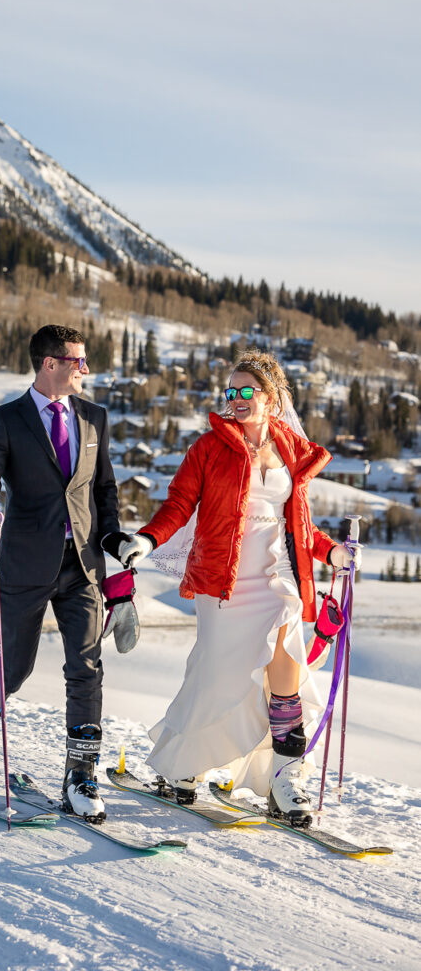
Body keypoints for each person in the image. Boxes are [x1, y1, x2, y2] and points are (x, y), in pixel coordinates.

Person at [119, 351, 360, 823]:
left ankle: (286, 781)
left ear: (271, 398)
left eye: (246, 391)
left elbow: (300, 525)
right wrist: (147, 540)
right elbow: (179, 504)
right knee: (215, 675)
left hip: (279, 578)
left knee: (284, 679)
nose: (237, 399)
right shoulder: (208, 449)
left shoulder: (291, 448)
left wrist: (331, 552)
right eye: (231, 392)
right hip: (223, 580)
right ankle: (181, 766)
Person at [0, 324, 127, 821]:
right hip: (26, 563)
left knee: (86, 667)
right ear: (50, 363)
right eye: (79, 361)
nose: (85, 370)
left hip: (83, 566)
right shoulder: (5, 420)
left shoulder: (95, 417)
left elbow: (105, 489)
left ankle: (81, 775)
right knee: (14, 667)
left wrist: (113, 537)